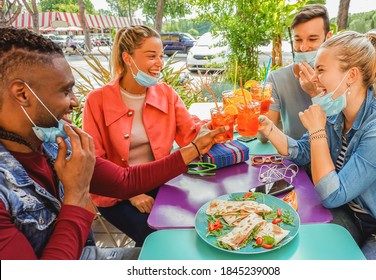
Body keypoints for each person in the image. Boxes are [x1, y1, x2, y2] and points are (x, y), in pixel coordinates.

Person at [0, 27, 227, 260]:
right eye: (65, 91)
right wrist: (77, 194)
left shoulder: (54, 145)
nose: (75, 102)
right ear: (23, 94)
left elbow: (124, 180)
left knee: (174, 252)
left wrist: (196, 147)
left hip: (87, 252)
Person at [258, 30, 376, 260]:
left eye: (321, 70)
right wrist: (268, 128)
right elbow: (303, 151)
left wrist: (317, 130)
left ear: (351, 75)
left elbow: (332, 194)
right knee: (293, 242)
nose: (314, 79)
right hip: (353, 215)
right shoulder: (337, 112)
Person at [82, 25, 203, 246]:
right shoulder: (96, 100)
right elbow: (93, 161)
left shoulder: (167, 94)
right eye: (151, 56)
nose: (160, 63)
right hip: (115, 193)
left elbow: (190, 135)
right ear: (128, 58)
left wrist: (215, 125)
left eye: (160, 56)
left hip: (160, 181)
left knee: (195, 219)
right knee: (154, 236)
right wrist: (131, 193)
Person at [259, 4, 332, 141]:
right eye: (298, 40)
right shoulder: (276, 79)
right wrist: (256, 109)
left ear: (328, 38)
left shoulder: (342, 78)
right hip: (294, 159)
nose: (303, 48)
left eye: (312, 39)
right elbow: (263, 137)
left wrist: (315, 93)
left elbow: (340, 135)